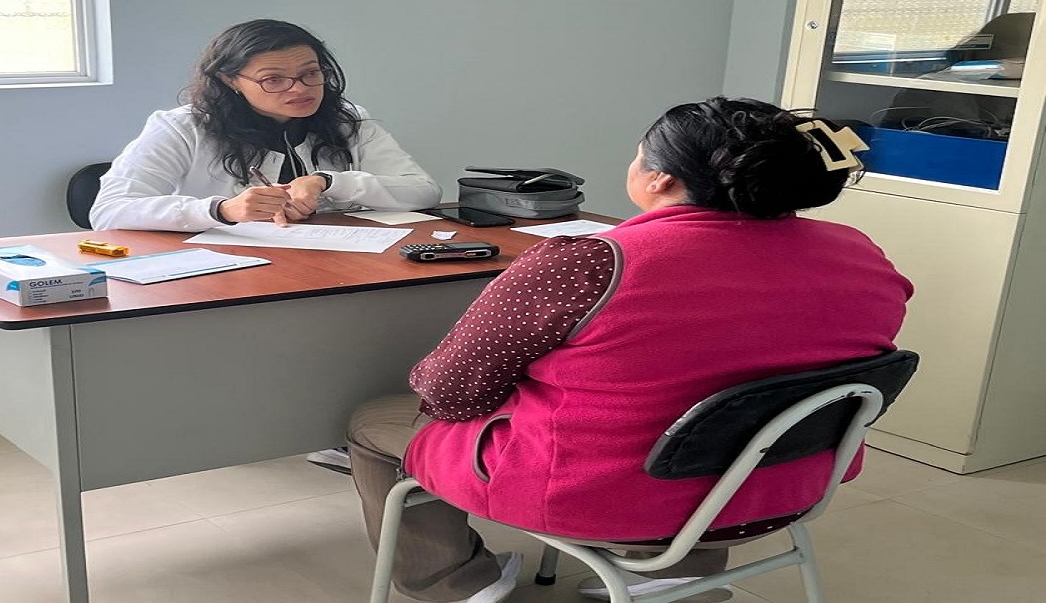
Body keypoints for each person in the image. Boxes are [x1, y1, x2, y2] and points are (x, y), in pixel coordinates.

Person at [347, 97, 913, 603]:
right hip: (784, 483)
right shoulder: (860, 252)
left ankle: (453, 583)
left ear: (660, 178)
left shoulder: (588, 261)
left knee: (375, 421)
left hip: (605, 497)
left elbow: (448, 391)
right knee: (708, 402)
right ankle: (678, 574)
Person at [89, 19, 441, 232]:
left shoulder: (349, 120)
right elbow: (109, 211)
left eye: (311, 73)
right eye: (273, 79)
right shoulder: (181, 128)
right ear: (230, 80)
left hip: (332, 262)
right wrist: (222, 210)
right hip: (223, 271)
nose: (299, 89)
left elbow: (423, 192)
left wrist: (328, 181)